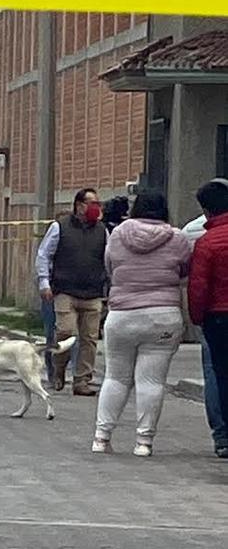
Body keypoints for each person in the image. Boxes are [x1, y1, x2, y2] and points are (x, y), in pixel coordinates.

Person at [92, 192, 190, 456]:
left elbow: (109, 267)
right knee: (151, 381)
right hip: (163, 315)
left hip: (122, 314)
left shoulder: (118, 234)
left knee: (115, 377)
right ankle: (143, 442)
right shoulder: (178, 238)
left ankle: (102, 437)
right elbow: (184, 272)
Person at [36, 188, 107, 396]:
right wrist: (44, 283)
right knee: (65, 332)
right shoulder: (60, 228)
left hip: (93, 293)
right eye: (91, 203)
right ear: (79, 205)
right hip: (64, 290)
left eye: (98, 203)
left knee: (89, 339)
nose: (96, 207)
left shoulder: (102, 231)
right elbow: (43, 255)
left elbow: (109, 259)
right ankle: (59, 370)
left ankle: (82, 380)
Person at [181, 210, 228, 458]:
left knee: (217, 373)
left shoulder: (201, 236)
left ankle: (222, 435)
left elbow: (198, 284)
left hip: (217, 316)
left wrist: (197, 318)